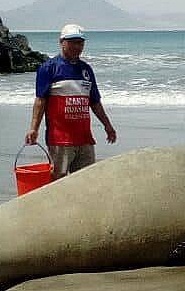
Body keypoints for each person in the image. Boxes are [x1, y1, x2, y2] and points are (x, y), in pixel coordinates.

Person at [25, 23, 117, 178]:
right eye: (73, 42)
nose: (77, 46)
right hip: (60, 140)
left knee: (86, 181)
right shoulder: (49, 68)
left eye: (80, 43)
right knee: (58, 181)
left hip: (85, 139)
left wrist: (107, 125)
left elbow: (94, 102)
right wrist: (34, 129)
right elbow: (40, 101)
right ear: (62, 42)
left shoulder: (86, 70)